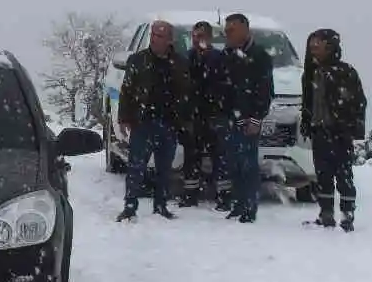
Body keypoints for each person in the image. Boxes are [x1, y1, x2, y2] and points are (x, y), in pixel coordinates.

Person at [115, 19, 191, 222]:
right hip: (143, 122)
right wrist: (124, 118)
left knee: (164, 169)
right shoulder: (138, 60)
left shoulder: (181, 63)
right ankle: (130, 207)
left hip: (169, 123)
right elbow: (127, 91)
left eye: (160, 36)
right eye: (154, 35)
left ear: (169, 39)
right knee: (136, 167)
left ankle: (161, 205)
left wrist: (184, 120)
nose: (155, 39)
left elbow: (187, 93)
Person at [300, 28, 367, 231]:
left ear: (330, 47)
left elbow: (359, 102)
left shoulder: (346, 72)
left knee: (344, 175)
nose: (313, 49)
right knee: (323, 176)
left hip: (340, 133)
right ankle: (326, 214)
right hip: (319, 131)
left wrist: (352, 127)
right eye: (311, 45)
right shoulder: (310, 73)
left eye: (318, 45)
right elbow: (307, 103)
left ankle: (347, 216)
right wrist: (306, 121)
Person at [221, 12, 273, 223]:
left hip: (249, 120)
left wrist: (256, 118)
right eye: (226, 31)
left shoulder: (259, 56)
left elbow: (265, 90)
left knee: (248, 164)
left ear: (245, 29)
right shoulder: (228, 54)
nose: (228, 34)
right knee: (232, 164)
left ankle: (250, 207)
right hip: (231, 119)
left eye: (232, 30)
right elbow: (225, 87)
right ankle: (238, 204)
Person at [180, 20, 231, 209]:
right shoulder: (186, 58)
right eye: (193, 36)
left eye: (200, 36)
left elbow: (224, 87)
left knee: (220, 158)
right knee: (191, 156)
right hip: (193, 116)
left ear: (209, 38)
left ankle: (224, 196)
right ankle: (190, 194)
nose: (196, 40)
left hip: (215, 115)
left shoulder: (219, 58)